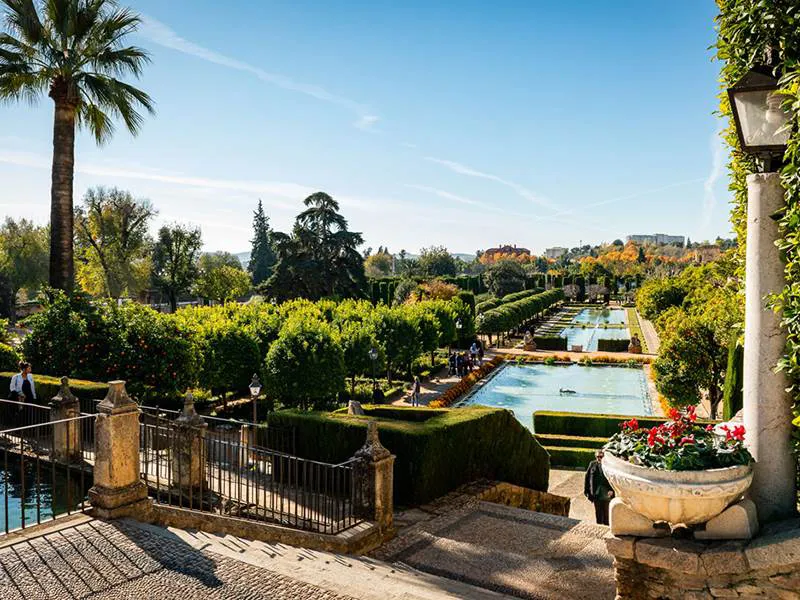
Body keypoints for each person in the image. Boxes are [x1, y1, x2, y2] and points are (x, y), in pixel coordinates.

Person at [584, 450, 614, 525]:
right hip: (596, 493)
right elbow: (587, 478)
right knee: (598, 514)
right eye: (597, 457)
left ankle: (606, 529)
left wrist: (612, 490)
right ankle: (599, 529)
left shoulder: (609, 465)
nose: (599, 458)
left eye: (601, 457)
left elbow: (613, 479)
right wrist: (586, 491)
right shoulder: (592, 464)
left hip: (606, 493)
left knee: (606, 514)